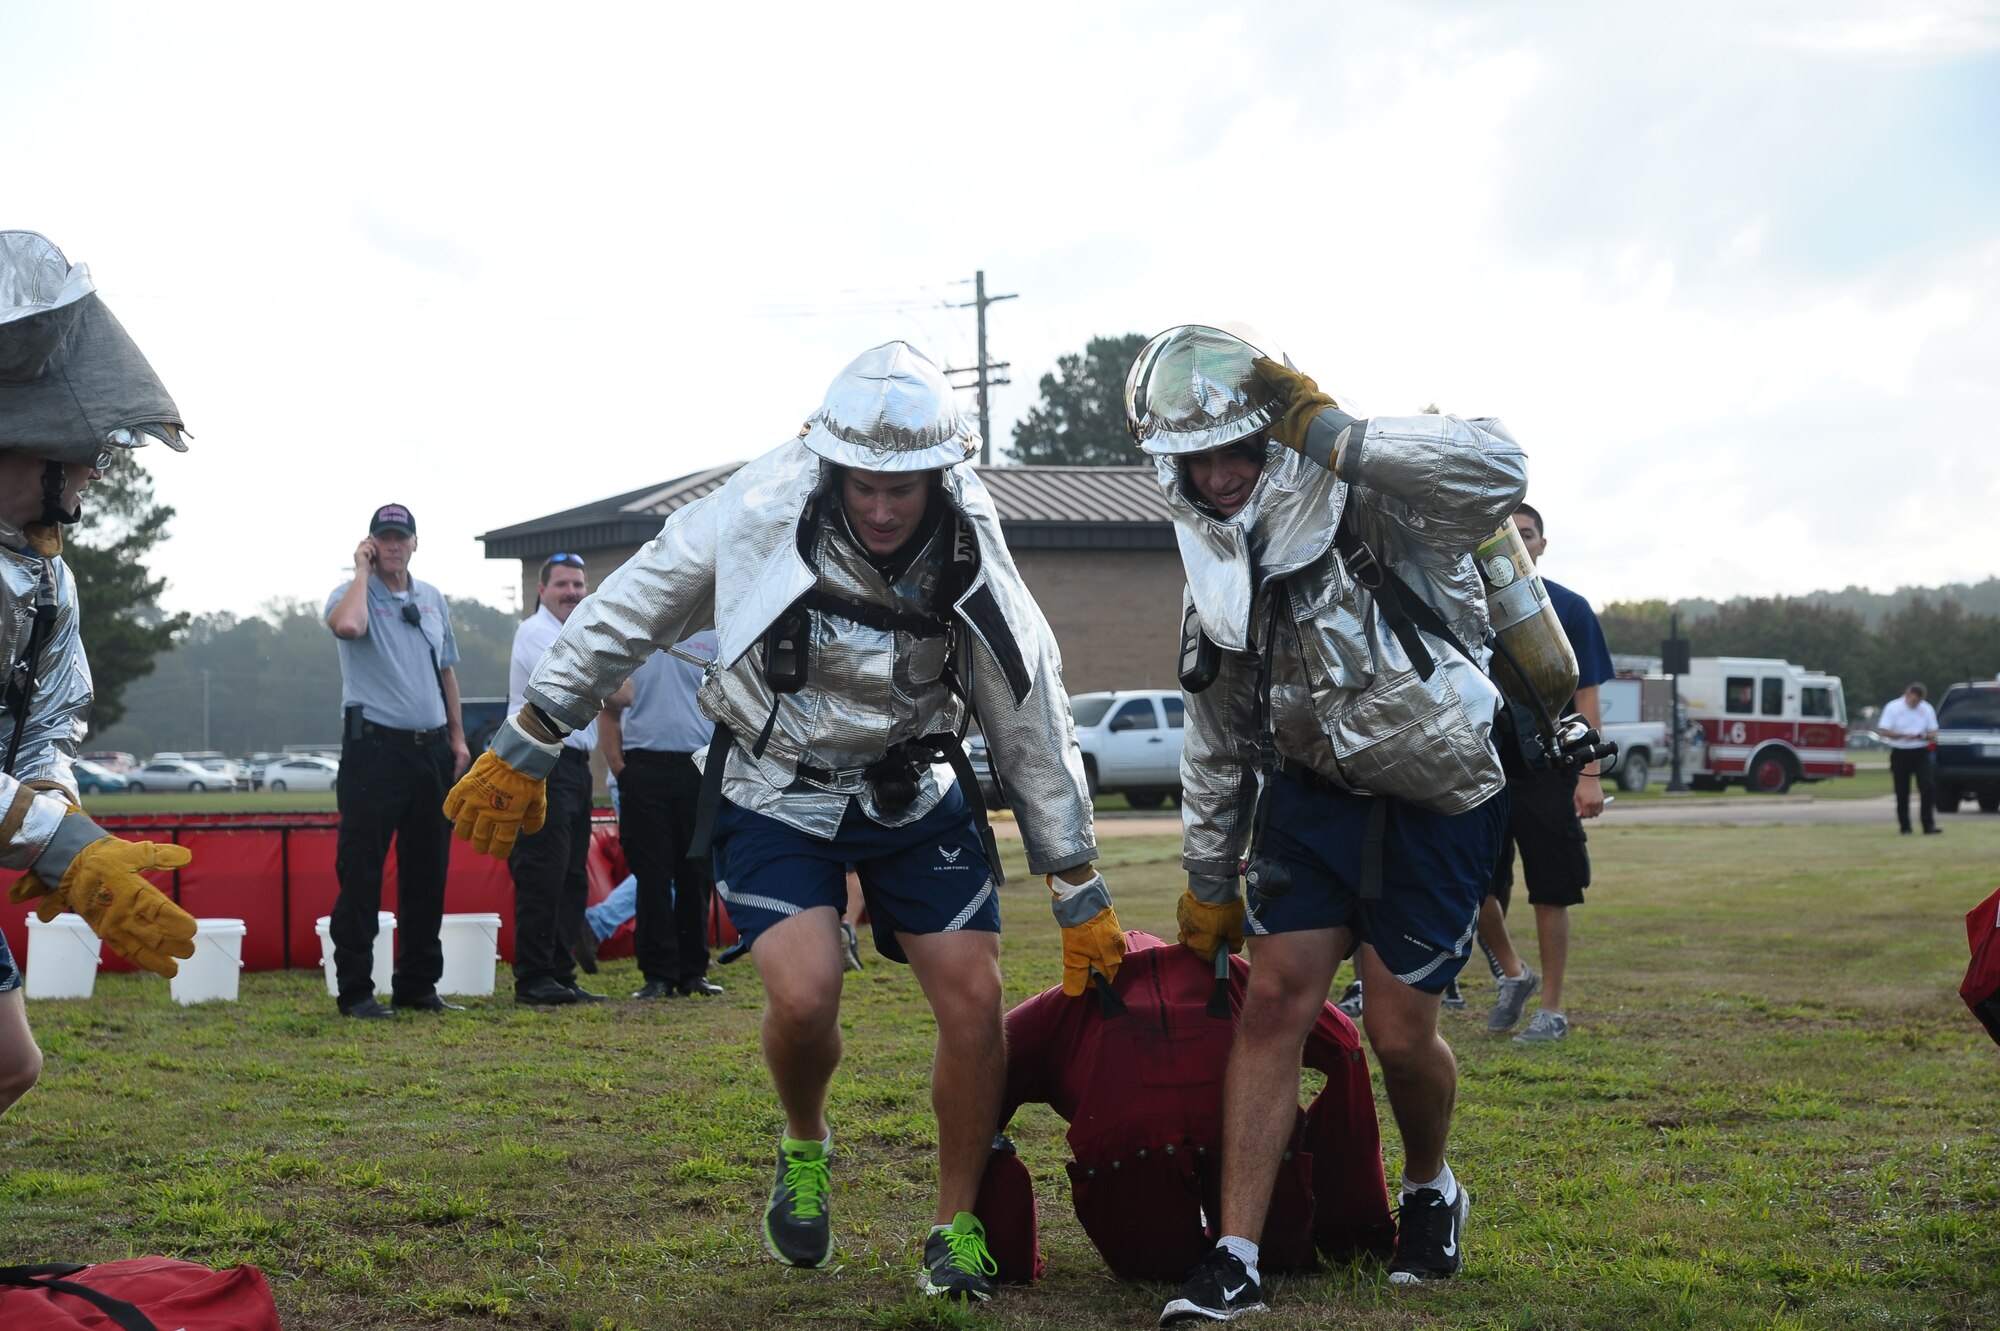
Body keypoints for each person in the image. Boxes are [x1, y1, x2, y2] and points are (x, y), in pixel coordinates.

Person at [445, 341, 1122, 1305]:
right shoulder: (755, 508)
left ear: (939, 475)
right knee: (804, 998)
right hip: (775, 788)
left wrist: (1074, 873)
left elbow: (1028, 693)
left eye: (904, 487)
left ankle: (955, 1222)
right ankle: (805, 1142)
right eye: (863, 484)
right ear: (829, 460)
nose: (883, 506)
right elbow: (631, 604)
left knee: (974, 1002)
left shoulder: (973, 535)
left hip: (913, 790)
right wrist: (532, 730)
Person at [1124, 323, 1525, 1320]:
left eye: (1235, 451)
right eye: (1194, 458)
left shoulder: (1373, 499)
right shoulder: (1212, 571)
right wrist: (1207, 881)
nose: (1217, 476)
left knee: (1396, 1031)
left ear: (1270, 437)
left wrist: (1335, 433)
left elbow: (1496, 465)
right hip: (1305, 799)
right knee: (1271, 1007)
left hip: (1438, 790)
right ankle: (1234, 1254)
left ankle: (1431, 1184)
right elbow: (1215, 736)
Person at [1, 230, 199, 1111]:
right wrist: (62, 847)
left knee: (12, 1065)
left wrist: (66, 823)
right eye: (76, 446)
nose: (94, 466)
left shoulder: (46, 574)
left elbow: (45, 724)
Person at [986, 932, 1395, 1283]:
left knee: (1157, 1266)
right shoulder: (1232, 972)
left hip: (1127, 1167)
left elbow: (979, 1086)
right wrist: (1354, 1221)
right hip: (1252, 1159)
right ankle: (1338, 1239)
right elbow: (1346, 1046)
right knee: (1278, 1255)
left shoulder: (1061, 1002)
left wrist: (1006, 1245)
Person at [1474, 502, 1614, 1045]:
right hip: (1482, 766)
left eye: (1525, 533)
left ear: (1539, 546)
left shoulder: (1570, 609)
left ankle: (1551, 1009)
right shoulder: (1467, 606)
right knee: (1470, 885)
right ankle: (1514, 972)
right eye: (1506, 533)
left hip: (1549, 768)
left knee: (1552, 889)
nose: (1517, 542)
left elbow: (1587, 698)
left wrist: (1590, 775)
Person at [324, 502, 471, 1018]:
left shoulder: (431, 599)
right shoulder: (349, 595)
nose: (392, 545)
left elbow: (447, 671)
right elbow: (347, 627)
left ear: (414, 543)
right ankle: (357, 992)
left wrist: (457, 738)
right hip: (375, 751)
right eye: (383, 538)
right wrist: (360, 573)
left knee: (427, 871)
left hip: (429, 750)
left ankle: (417, 984)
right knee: (362, 871)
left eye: (400, 538)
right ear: (370, 544)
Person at [504, 553, 609, 1006]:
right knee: (542, 871)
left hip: (575, 767)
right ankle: (533, 977)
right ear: (541, 591)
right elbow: (574, 684)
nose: (571, 592)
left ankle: (559, 972)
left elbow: (605, 684)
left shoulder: (574, 634)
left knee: (570, 875)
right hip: (541, 764)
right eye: (562, 584)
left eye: (578, 585)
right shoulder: (535, 633)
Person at [599, 631, 724, 1000]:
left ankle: (693, 973)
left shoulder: (713, 636)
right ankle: (657, 974)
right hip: (644, 771)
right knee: (651, 876)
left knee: (695, 874)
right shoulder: (637, 634)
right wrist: (622, 770)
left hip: (696, 769)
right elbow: (609, 709)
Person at [1876, 683, 1940, 836]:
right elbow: (1884, 730)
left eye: (1918, 701)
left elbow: (1933, 732)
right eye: (1913, 700)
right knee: (1902, 791)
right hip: (1900, 751)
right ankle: (1905, 827)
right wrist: (1903, 735)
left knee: (1927, 787)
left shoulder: (1926, 708)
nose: (1915, 704)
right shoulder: (1893, 707)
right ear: (1907, 695)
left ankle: (1928, 825)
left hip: (1920, 751)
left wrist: (1921, 736)